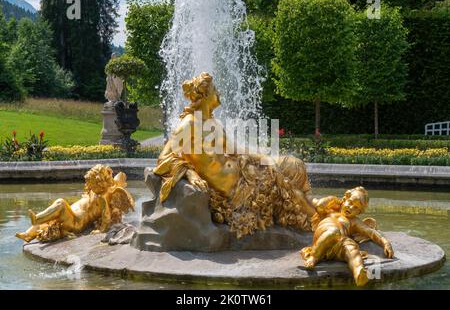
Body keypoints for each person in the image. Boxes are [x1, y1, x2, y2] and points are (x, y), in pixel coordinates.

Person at [154, 72, 315, 238]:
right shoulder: (189, 123)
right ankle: (316, 218)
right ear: (206, 94)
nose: (219, 93)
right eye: (215, 90)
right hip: (236, 186)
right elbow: (163, 158)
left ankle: (317, 213)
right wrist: (189, 172)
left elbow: (234, 149)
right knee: (291, 173)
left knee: (293, 164)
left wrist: (264, 158)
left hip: (243, 172)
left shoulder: (212, 123)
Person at [300, 187, 394, 286]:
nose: (350, 207)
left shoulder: (354, 221)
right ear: (344, 199)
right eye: (350, 202)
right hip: (324, 238)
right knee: (334, 232)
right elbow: (319, 206)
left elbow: (370, 232)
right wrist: (333, 199)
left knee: (352, 249)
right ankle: (314, 256)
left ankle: (359, 273)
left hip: (339, 243)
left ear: (359, 213)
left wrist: (385, 242)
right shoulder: (332, 210)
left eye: (356, 207)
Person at [15, 165, 134, 242]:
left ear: (99, 183)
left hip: (75, 223)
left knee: (60, 203)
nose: (89, 185)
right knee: (50, 217)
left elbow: (106, 216)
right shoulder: (96, 191)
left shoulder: (102, 197)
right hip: (71, 215)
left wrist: (101, 230)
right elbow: (115, 180)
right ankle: (28, 234)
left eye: (91, 183)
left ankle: (37, 219)